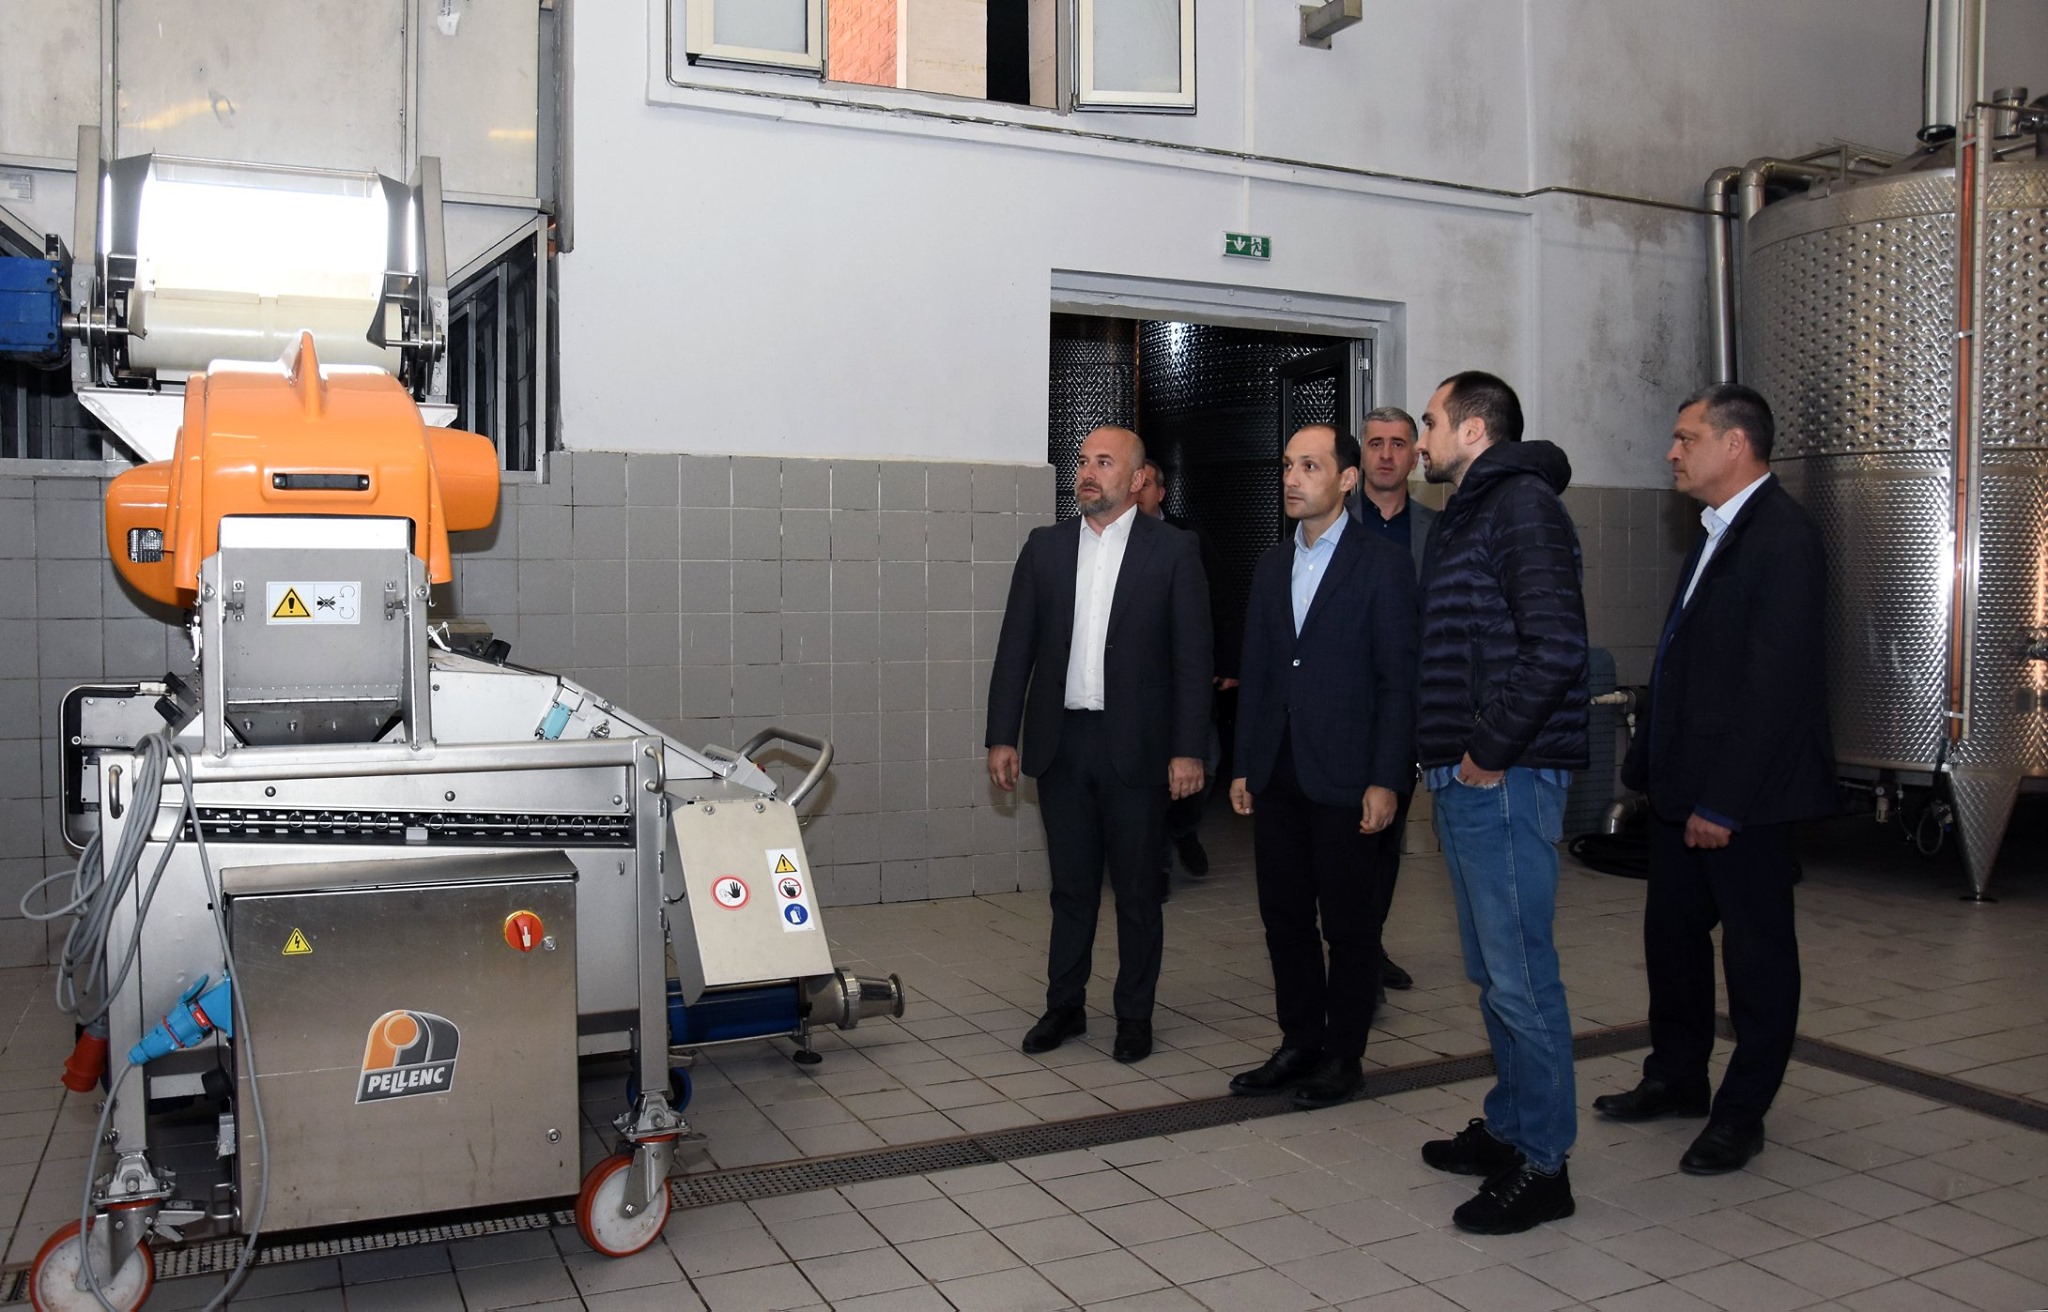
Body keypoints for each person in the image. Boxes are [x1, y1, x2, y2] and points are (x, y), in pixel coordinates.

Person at [1597, 384, 1833, 1176]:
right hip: (1684, 790)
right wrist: (1653, 772)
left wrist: (1725, 802)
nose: (1671, 452)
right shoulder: (1715, 530)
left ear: (1735, 445)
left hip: (1744, 800)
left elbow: (1775, 688)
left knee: (1757, 959)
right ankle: (1676, 1078)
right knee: (1671, 940)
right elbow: (1687, 659)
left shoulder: (1783, 538)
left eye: (1686, 438)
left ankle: (1741, 1114)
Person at [1411, 371, 1589, 1235]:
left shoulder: (1522, 506)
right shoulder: (1471, 511)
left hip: (1504, 776)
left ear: (1475, 429)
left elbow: (1557, 647)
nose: (1421, 440)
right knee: (1492, 974)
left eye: (1431, 423)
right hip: (1467, 773)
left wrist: (1488, 750)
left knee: (1521, 977)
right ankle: (1513, 1127)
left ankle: (1545, 1165)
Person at [986, 426, 1213, 1064]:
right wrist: (1002, 735)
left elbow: (1193, 658)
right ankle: (1064, 1006)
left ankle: (1134, 1015)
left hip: (1137, 746)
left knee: (1138, 892)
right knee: (1071, 889)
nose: (1087, 472)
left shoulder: (1173, 550)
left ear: (1137, 479)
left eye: (1104, 462)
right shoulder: (1046, 547)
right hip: (1061, 743)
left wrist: (1188, 748)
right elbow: (1015, 648)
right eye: (1083, 461)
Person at [1226, 425, 1417, 1108]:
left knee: (1349, 924)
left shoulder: (1382, 564)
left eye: (1309, 466)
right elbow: (1258, 670)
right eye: (1287, 465)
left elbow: (1398, 682)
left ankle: (1344, 1056)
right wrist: (1245, 764)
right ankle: (1300, 1041)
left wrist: (1386, 778)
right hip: (1279, 771)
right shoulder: (1272, 564)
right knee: (1283, 917)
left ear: (1346, 479)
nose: (1291, 478)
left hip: (1348, 776)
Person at [1344, 406, 1438, 994]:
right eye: (1375, 442)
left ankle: (1368, 945)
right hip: (1341, 708)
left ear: (1414, 455)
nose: (1385, 454)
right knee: (1342, 838)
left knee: (1387, 837)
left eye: (1397, 443)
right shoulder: (1330, 521)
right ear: (1361, 454)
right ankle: (1349, 947)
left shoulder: (1437, 531)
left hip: (1404, 711)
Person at [1134, 458, 1238, 884]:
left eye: (1146, 483)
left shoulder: (1188, 538)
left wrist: (1228, 661)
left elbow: (1220, 600)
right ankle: (1156, 864)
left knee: (1206, 763)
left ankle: (1183, 827)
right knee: (1151, 776)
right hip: (1143, 684)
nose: (1137, 490)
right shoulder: (1111, 539)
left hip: (1190, 677)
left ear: (1161, 492)